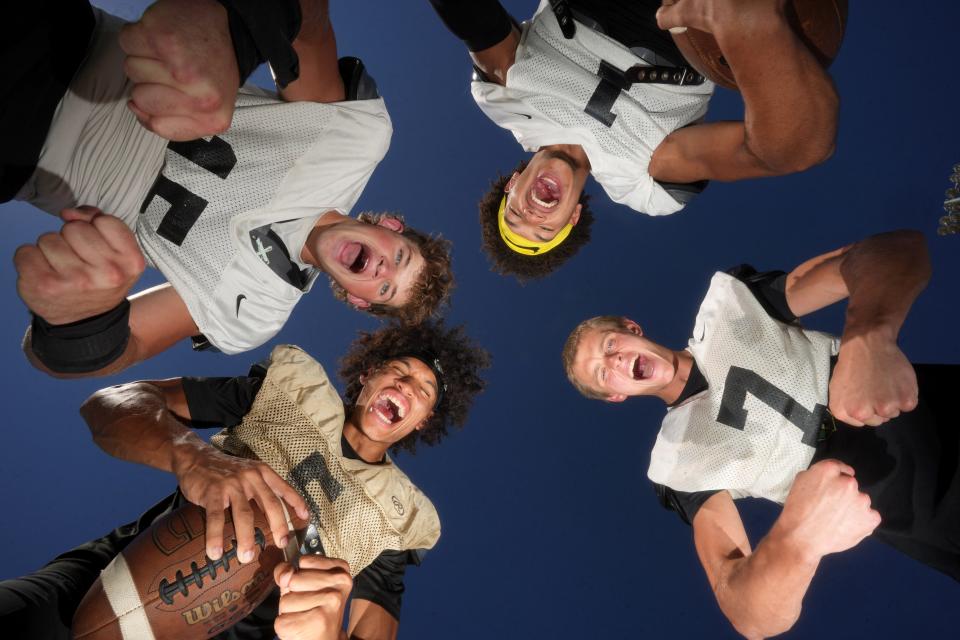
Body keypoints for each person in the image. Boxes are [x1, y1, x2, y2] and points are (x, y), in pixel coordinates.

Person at [2, 0, 454, 378]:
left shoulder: (256, 313)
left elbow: (123, 346)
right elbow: (308, 21)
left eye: (385, 289)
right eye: (399, 258)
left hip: (20, 159)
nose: (380, 269)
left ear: (358, 300)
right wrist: (234, 33)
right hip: (66, 41)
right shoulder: (356, 140)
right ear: (392, 226)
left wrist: (76, 321)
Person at [562, 230, 959, 638]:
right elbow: (746, 613)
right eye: (602, 372)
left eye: (610, 344)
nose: (615, 361)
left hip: (932, 407)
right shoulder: (676, 464)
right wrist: (797, 541)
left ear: (632, 328)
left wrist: (870, 336)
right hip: (921, 511)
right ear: (615, 395)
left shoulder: (730, 305)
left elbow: (893, 251)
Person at [0, 320, 490, 639]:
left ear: (422, 419)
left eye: (423, 389)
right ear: (367, 377)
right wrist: (190, 455)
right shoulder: (286, 393)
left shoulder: (400, 518)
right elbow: (109, 406)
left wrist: (325, 635)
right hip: (113, 575)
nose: (406, 385)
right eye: (398, 371)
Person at [429, 0, 839, 279]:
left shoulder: (507, 99)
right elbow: (788, 152)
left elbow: (473, 18)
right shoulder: (641, 180)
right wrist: (757, 33)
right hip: (689, 26)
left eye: (515, 215)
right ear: (570, 219)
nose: (533, 218)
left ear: (513, 185)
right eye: (543, 231)